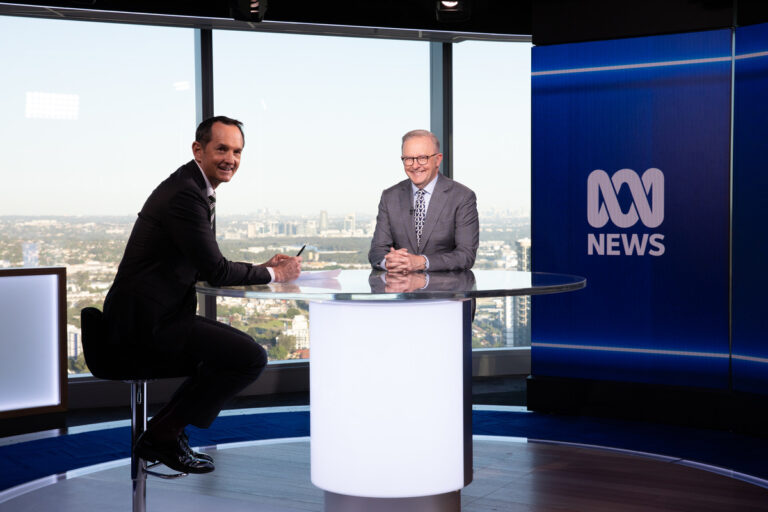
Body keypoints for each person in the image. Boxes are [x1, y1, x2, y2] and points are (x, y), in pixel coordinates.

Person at [102, 116, 301, 474]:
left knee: (230, 353)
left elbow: (205, 264)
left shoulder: (191, 186)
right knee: (249, 357)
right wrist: (275, 274)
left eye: (237, 152)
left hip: (152, 315)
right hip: (144, 324)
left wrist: (261, 267)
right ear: (198, 150)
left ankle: (166, 432)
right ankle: (163, 434)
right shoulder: (186, 194)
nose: (231, 159)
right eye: (222, 149)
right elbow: (216, 270)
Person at [368, 129, 479, 272]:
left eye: (422, 158)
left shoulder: (462, 197)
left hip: (446, 285)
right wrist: (388, 262)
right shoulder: (390, 197)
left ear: (438, 159)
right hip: (401, 284)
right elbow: (377, 251)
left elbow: (466, 255)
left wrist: (422, 262)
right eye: (408, 159)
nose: (415, 165)